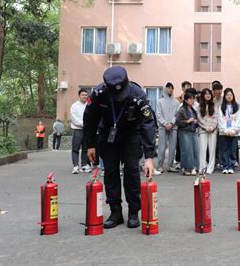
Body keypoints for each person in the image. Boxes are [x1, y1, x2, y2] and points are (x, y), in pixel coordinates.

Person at [83, 66, 156, 229]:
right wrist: (90, 145)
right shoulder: (98, 94)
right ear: (107, 87)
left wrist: (149, 157)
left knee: (131, 171)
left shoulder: (138, 95)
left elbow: (148, 124)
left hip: (131, 134)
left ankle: (133, 212)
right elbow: (89, 119)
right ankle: (115, 211)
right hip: (108, 135)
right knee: (110, 171)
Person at [155, 82, 180, 175]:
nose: (170, 89)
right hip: (162, 127)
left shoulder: (176, 102)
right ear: (164, 89)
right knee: (162, 147)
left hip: (173, 127)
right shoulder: (160, 101)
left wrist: (172, 123)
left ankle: (170, 165)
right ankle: (159, 165)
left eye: (172, 88)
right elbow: (158, 114)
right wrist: (165, 124)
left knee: (172, 147)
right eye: (168, 87)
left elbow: (177, 114)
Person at [218, 88, 240, 174]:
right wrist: (225, 130)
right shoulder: (221, 107)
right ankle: (225, 166)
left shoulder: (237, 106)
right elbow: (220, 120)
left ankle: (231, 166)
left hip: (234, 133)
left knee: (232, 150)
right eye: (227, 95)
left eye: (230, 95)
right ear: (225, 96)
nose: (229, 96)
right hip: (224, 133)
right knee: (224, 150)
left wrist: (234, 130)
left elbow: (238, 119)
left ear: (233, 96)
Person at [175, 92, 199, 175]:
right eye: (190, 99)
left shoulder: (193, 110)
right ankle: (186, 168)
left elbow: (196, 122)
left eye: (193, 99)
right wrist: (187, 121)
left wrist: (196, 122)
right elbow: (177, 121)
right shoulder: (182, 109)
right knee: (186, 150)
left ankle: (194, 167)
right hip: (184, 132)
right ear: (185, 100)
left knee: (195, 150)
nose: (192, 101)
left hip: (193, 132)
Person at [197, 88, 218, 174]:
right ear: (202, 96)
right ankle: (202, 167)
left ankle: (210, 168)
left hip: (213, 131)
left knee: (212, 150)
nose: (208, 95)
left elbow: (216, 118)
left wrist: (212, 127)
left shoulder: (214, 106)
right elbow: (199, 119)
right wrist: (206, 127)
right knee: (202, 149)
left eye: (209, 93)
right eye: (205, 94)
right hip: (203, 130)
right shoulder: (199, 106)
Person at [70, 89, 91, 174]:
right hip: (78, 129)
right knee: (76, 148)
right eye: (83, 95)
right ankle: (75, 166)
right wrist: (82, 124)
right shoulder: (74, 106)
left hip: (86, 130)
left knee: (85, 149)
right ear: (79, 96)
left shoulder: (89, 105)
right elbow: (73, 117)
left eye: (86, 95)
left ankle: (84, 165)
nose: (85, 96)